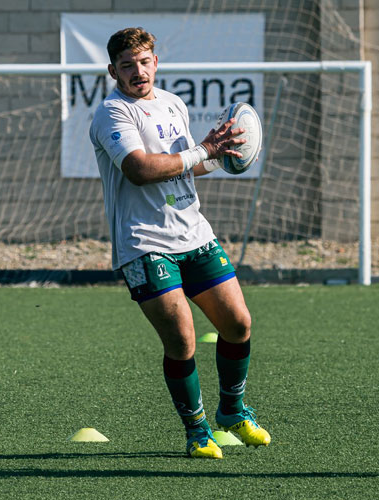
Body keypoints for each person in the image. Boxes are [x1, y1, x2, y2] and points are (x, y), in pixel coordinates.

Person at [89, 27, 270, 460]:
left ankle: (232, 411)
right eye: (127, 65)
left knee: (239, 324)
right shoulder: (112, 113)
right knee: (183, 340)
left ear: (156, 62)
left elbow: (182, 167)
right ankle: (197, 431)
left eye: (144, 62)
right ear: (113, 70)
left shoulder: (172, 103)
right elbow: (140, 169)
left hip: (194, 234)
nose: (138, 72)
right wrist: (201, 149)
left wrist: (220, 154)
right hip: (145, 244)